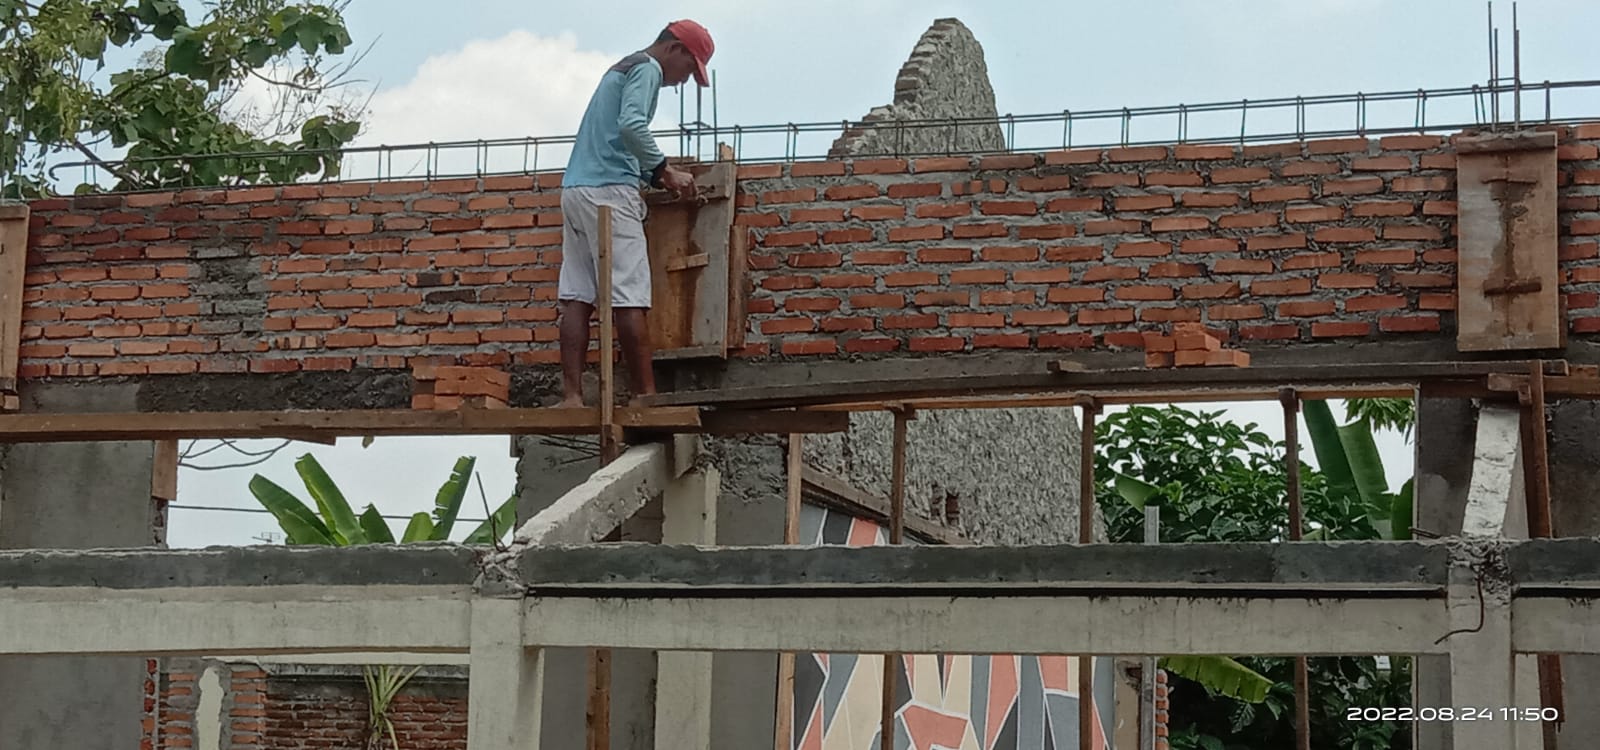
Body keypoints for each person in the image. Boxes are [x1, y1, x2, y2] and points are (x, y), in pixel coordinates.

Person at [555, 19, 714, 408]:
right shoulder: (648, 68)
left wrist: (656, 177)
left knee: (577, 295)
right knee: (629, 296)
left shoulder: (622, 67)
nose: (683, 81)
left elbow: (614, 140)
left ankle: (572, 397)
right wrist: (665, 170)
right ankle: (645, 396)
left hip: (576, 190)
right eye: (689, 69)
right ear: (674, 49)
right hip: (610, 194)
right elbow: (631, 126)